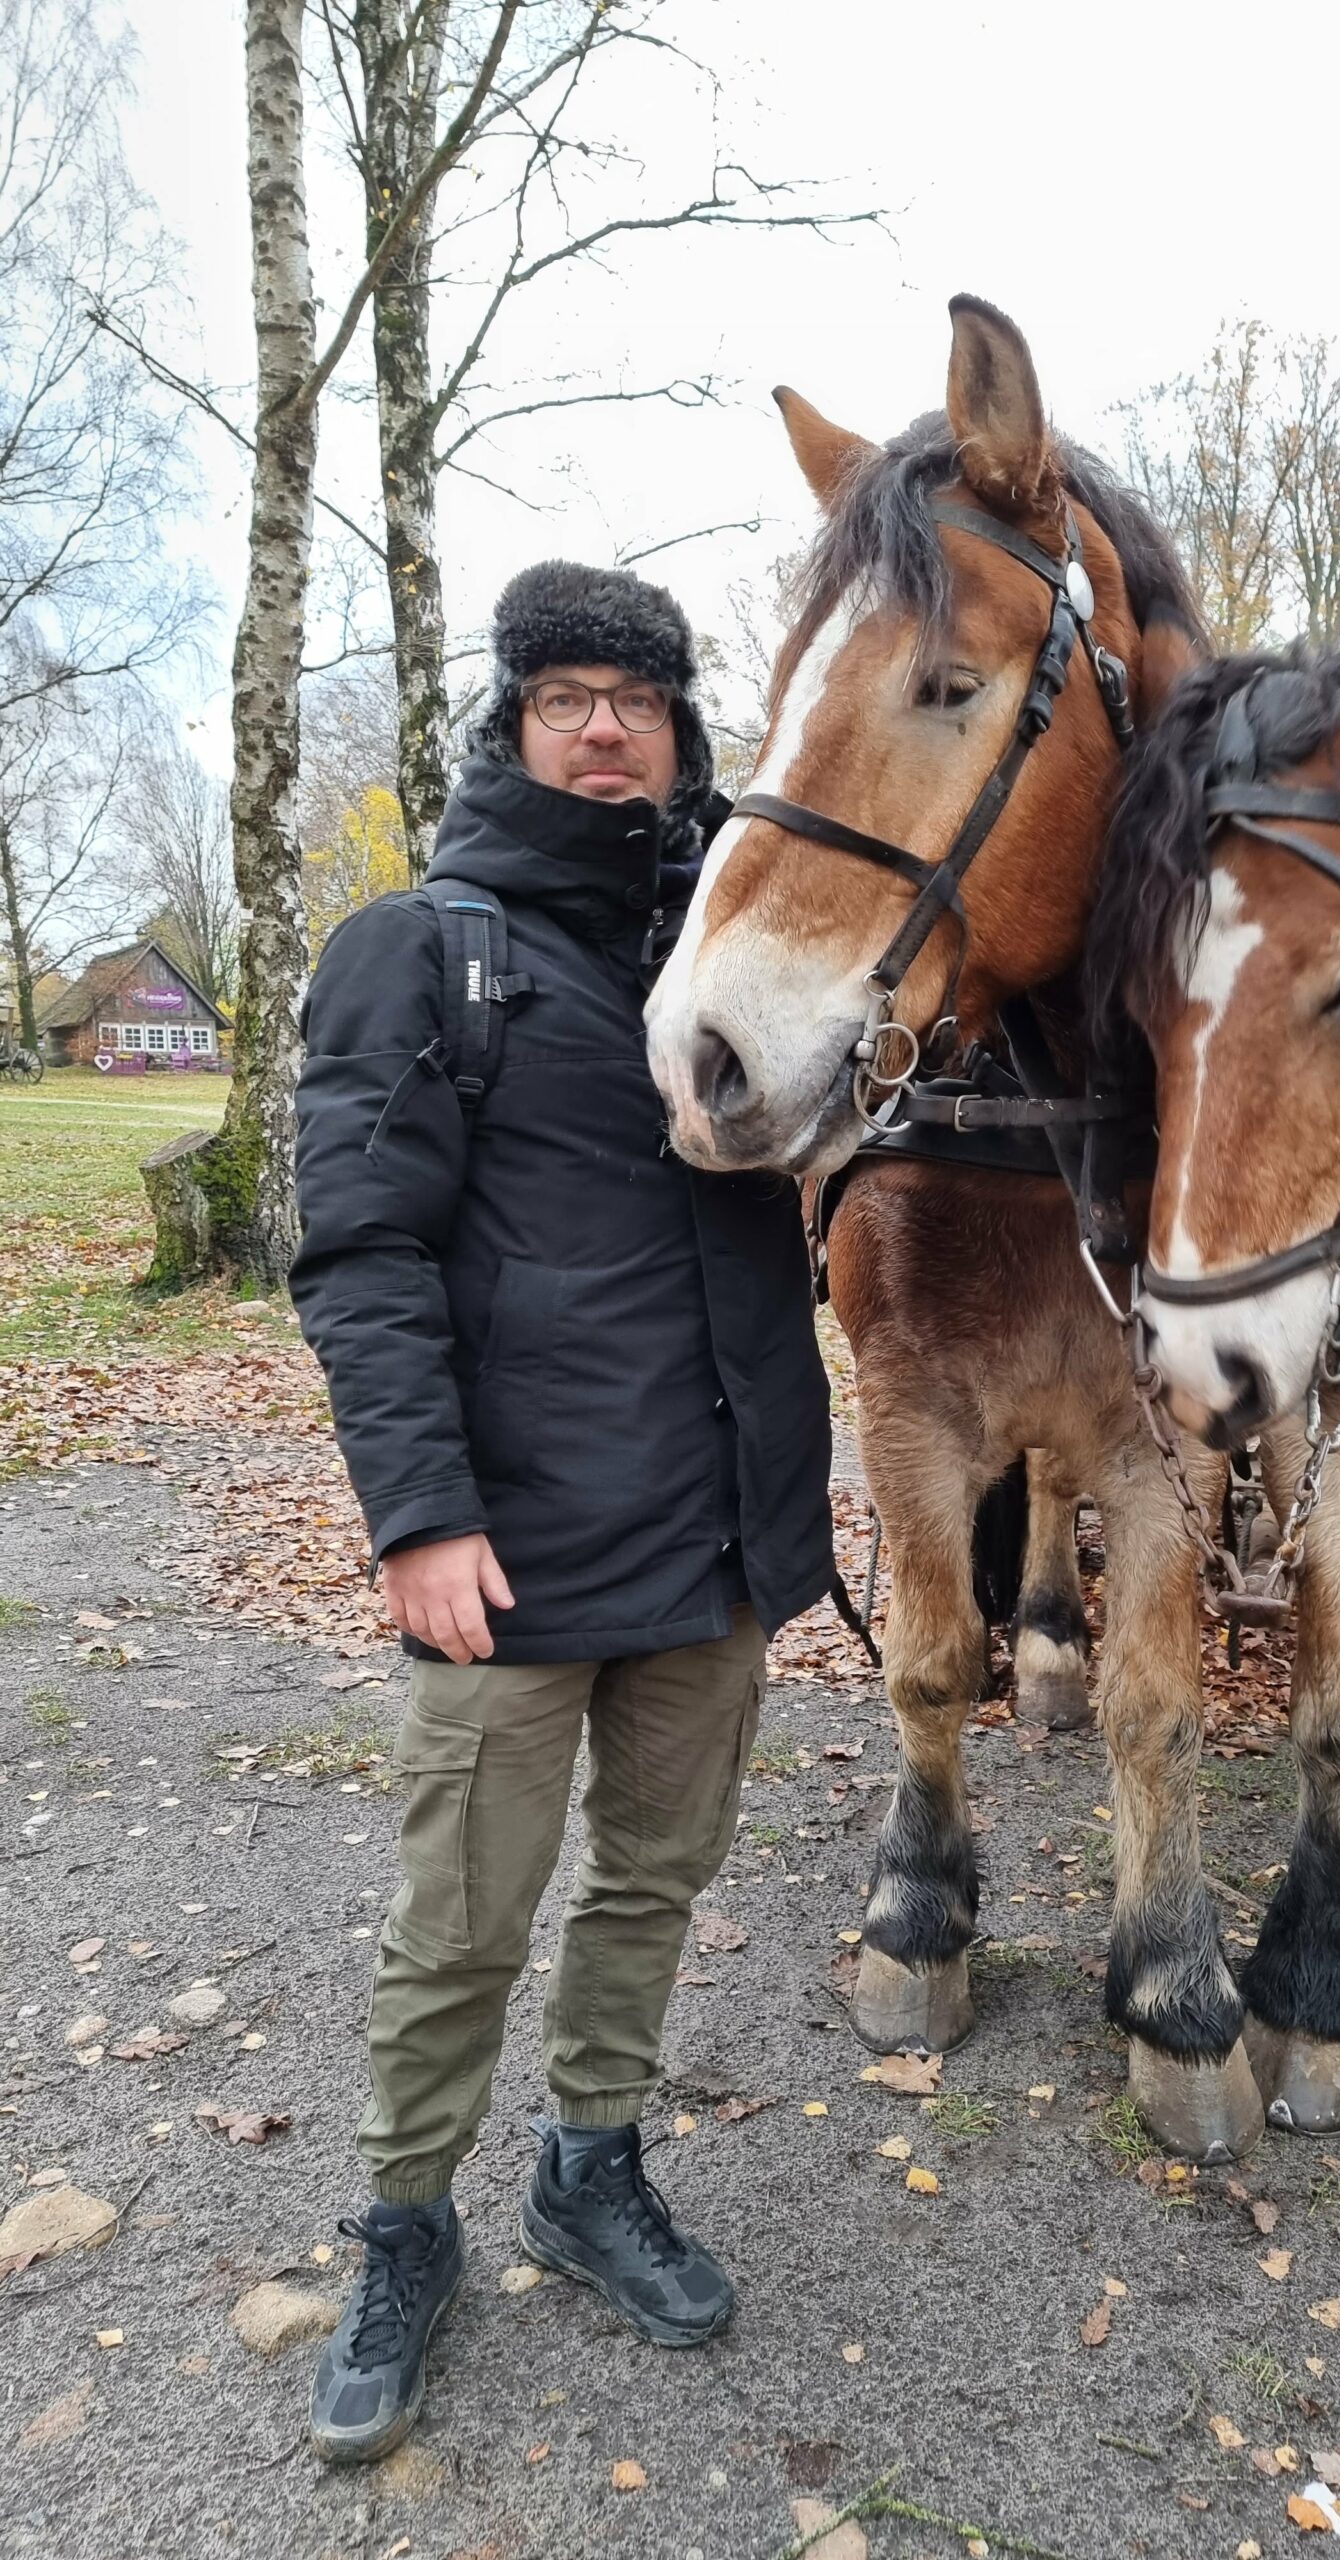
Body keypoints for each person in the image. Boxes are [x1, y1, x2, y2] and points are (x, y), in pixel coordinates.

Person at [289, 562, 834, 2463]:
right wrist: (417, 1516)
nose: (607, 724)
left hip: (713, 1549)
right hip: (504, 1554)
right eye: (565, 697)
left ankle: (586, 2166)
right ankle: (404, 2220)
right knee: (461, 1921)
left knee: (651, 1886)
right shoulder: (418, 948)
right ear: (513, 729)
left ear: (686, 737)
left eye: (642, 699)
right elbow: (361, 1258)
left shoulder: (752, 956)